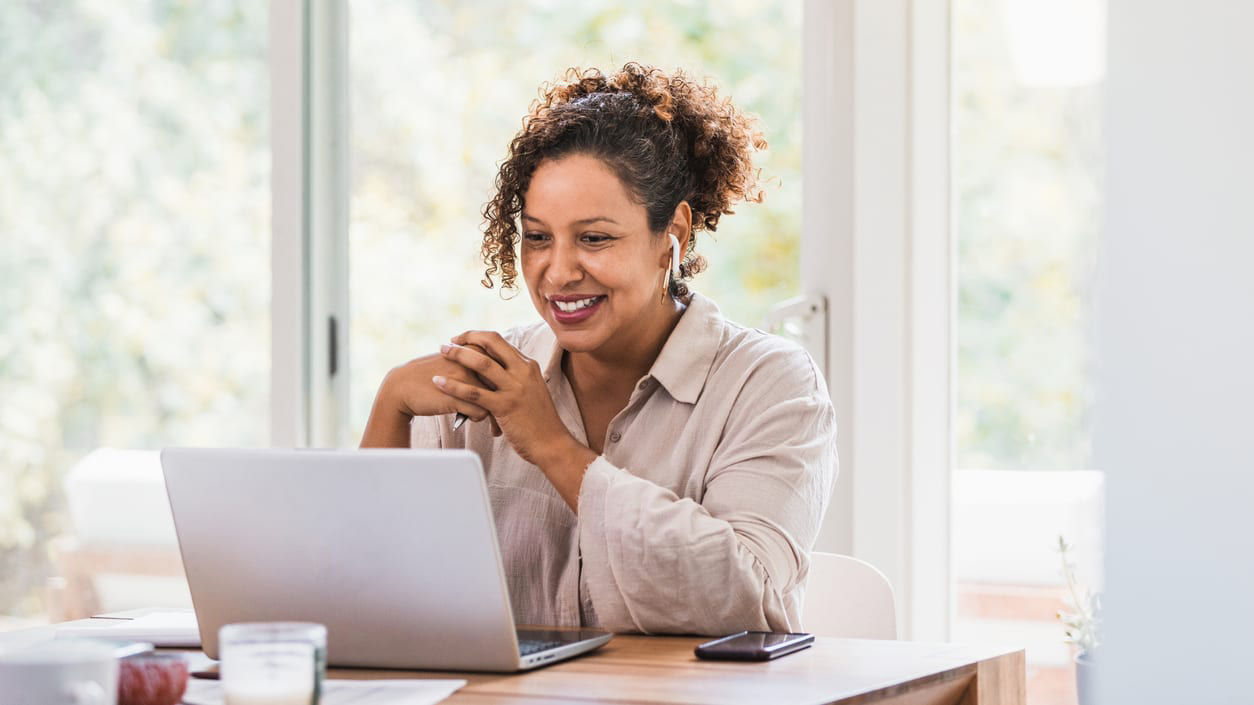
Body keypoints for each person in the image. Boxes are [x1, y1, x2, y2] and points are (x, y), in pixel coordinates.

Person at [361, 63, 837, 635]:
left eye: (595, 238)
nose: (558, 272)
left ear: (673, 238)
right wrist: (391, 403)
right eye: (537, 237)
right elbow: (364, 597)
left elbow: (744, 595)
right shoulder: (477, 382)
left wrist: (551, 446)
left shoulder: (770, 386)